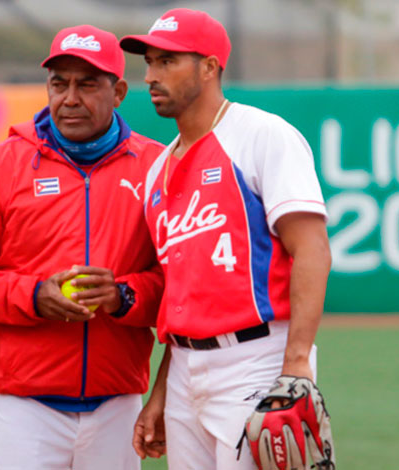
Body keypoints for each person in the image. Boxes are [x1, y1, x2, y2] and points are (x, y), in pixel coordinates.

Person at [0, 25, 164, 470]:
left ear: (118, 92)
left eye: (87, 84)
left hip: (118, 404)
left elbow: (180, 279)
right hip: (25, 408)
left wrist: (124, 295)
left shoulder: (156, 167)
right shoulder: (0, 166)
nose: (70, 98)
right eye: (59, 84)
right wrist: (35, 296)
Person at [119, 8, 332, 469]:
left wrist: (295, 364)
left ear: (210, 67)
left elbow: (312, 249)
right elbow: (181, 297)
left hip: (255, 360)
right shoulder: (158, 171)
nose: (152, 76)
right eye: (149, 63)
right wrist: (160, 391)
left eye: (167, 62)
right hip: (184, 373)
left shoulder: (261, 136)